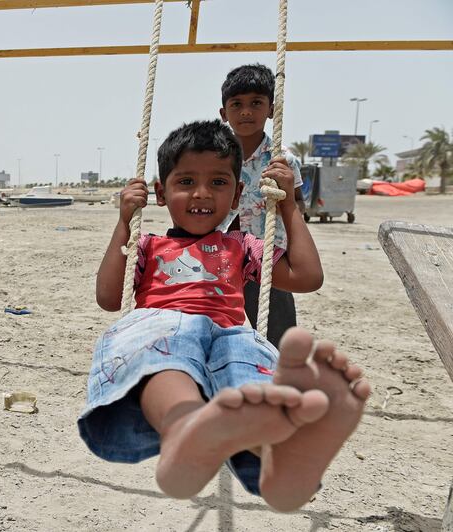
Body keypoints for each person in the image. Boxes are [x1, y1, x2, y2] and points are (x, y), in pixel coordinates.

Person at [78, 120, 370, 511]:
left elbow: (307, 277)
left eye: (218, 182)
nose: (202, 193)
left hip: (230, 335)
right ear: (161, 193)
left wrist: (287, 206)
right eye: (186, 182)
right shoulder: (148, 245)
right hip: (163, 325)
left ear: (237, 197)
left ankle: (282, 465)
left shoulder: (242, 246)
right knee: (163, 357)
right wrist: (123, 223)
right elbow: (109, 297)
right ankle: (187, 428)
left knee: (249, 371)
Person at [218, 63, 304, 346]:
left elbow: (298, 206)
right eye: (237, 104)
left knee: (277, 334)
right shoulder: (215, 158)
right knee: (215, 329)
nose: (246, 111)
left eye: (256, 103)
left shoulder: (283, 161)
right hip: (219, 255)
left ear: (270, 110)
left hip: (266, 257)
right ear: (224, 113)